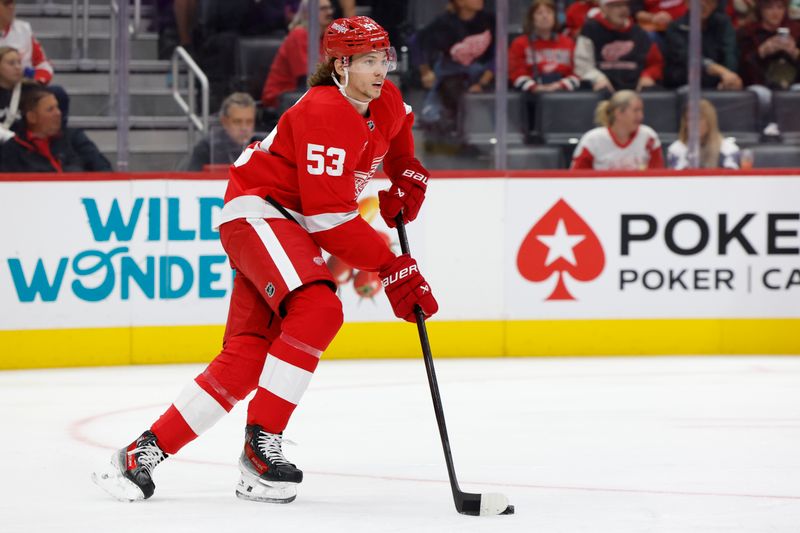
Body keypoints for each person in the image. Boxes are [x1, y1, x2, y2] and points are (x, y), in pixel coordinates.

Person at [91, 16, 438, 505]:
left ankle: (140, 455)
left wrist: (407, 172)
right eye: (367, 60)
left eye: (384, 58)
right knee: (319, 308)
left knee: (247, 356)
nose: (380, 69)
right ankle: (261, 447)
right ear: (340, 66)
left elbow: (398, 126)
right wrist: (390, 264)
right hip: (261, 212)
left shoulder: (382, 98)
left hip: (285, 223)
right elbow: (327, 219)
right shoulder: (324, 111)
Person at [414, 0, 495, 151]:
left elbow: (499, 55)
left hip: (485, 75)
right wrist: (425, 72)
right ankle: (456, 139)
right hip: (452, 74)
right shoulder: (444, 23)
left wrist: (483, 82)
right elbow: (417, 42)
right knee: (451, 91)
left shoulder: (490, 20)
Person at [0, 86, 110, 172]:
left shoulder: (74, 138)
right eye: (50, 109)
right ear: (32, 117)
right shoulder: (12, 150)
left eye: (57, 107)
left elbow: (103, 169)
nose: (58, 113)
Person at [574, 0, 664, 92]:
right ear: (604, 8)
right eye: (617, 6)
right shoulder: (590, 30)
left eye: (625, 5)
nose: (623, 10)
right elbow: (583, 65)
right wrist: (597, 78)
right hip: (602, 89)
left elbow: (655, 64)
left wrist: (647, 76)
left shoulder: (639, 33)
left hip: (635, 92)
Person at [261, 0, 333, 109]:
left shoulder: (325, 38)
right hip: (282, 96)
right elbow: (308, 77)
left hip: (304, 92)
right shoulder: (299, 35)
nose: (329, 12)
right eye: (323, 9)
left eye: (329, 8)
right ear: (307, 13)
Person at [571, 89, 664, 169]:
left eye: (641, 110)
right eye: (636, 110)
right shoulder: (592, 140)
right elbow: (576, 177)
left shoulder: (648, 136)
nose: (641, 116)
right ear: (619, 113)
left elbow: (658, 175)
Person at [663, 0, 742, 90]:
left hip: (718, 81)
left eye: (709, 1)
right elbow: (688, 57)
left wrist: (730, 76)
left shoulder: (723, 24)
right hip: (684, 83)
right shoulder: (676, 27)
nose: (703, 5)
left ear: (715, 5)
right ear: (687, 3)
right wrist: (722, 72)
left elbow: (730, 52)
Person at [509, 0, 580, 93]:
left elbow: (578, 72)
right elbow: (516, 73)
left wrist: (560, 85)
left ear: (555, 17)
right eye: (539, 13)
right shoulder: (520, 43)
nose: (545, 16)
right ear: (532, 18)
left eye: (549, 12)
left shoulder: (568, 42)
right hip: (532, 97)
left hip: (563, 95)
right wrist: (535, 87)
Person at [182, 92, 257, 170]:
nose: (244, 128)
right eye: (237, 121)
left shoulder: (261, 146)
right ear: (224, 122)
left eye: (249, 121)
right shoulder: (207, 147)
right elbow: (193, 179)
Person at [667, 98, 741, 168]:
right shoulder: (676, 150)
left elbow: (731, 179)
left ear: (710, 121)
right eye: (688, 119)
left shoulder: (729, 149)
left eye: (699, 119)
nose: (693, 124)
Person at [0, 45, 25, 141]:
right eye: (11, 63)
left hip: (21, 151)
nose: (18, 67)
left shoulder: (31, 92)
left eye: (19, 62)